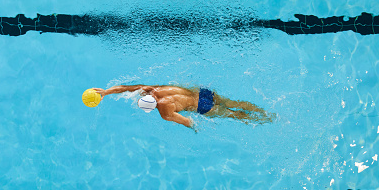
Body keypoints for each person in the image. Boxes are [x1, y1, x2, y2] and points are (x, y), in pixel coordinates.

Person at [92, 85, 274, 129]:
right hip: (203, 93)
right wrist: (106, 92)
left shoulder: (164, 111)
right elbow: (126, 88)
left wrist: (195, 130)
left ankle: (265, 120)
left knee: (232, 115)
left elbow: (189, 121)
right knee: (233, 104)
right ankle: (263, 111)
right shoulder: (153, 89)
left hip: (203, 107)